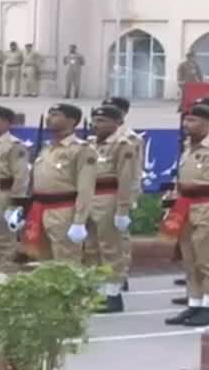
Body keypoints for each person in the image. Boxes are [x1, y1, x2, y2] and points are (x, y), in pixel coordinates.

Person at [162, 105, 209, 327]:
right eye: (186, 121)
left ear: (207, 123)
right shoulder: (188, 146)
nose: (187, 125)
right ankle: (194, 304)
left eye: (193, 121)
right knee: (189, 258)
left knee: (208, 258)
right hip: (185, 205)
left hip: (208, 205)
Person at [10, 104, 97, 263]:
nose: (50, 118)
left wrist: (79, 221)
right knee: (43, 260)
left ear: (72, 121)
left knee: (67, 259)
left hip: (64, 210)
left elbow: (86, 188)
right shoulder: (46, 148)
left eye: (56, 115)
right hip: (39, 209)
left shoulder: (81, 149)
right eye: (49, 114)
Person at [84, 105, 138, 314]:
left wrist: (123, 209)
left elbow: (126, 179)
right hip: (87, 198)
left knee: (110, 247)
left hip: (108, 198)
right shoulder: (88, 144)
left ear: (117, 123)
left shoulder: (122, 145)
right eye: (95, 121)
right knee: (90, 248)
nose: (97, 125)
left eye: (103, 121)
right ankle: (98, 290)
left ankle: (113, 293)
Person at [101, 97, 145, 293]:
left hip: (123, 189)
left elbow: (133, 170)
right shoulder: (99, 136)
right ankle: (106, 275)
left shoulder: (131, 138)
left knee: (120, 236)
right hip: (100, 194)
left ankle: (121, 273)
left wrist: (130, 197)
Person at [0, 106, 29, 278]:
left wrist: (15, 205)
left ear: (6, 122)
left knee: (3, 242)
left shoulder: (14, 146)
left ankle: (7, 282)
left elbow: (21, 176)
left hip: (3, 195)